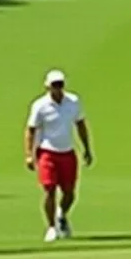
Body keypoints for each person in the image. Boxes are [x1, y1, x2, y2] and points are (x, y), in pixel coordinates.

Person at [25, 69, 93, 242]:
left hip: (68, 152)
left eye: (60, 84)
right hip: (47, 152)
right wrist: (29, 155)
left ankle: (61, 214)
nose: (58, 88)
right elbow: (31, 130)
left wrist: (87, 149)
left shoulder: (73, 102)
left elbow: (80, 125)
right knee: (49, 189)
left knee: (69, 193)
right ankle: (51, 227)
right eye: (54, 85)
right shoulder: (40, 105)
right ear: (47, 86)